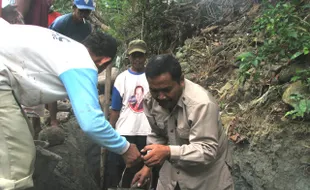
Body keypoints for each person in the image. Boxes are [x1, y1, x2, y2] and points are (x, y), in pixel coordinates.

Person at [0, 18, 141, 190]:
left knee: (20, 141)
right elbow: (91, 123)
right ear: (104, 61)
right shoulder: (82, 63)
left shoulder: (66, 47)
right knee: (18, 164)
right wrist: (125, 148)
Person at [132, 54, 234, 190]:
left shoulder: (201, 104)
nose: (160, 97)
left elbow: (207, 150)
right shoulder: (150, 101)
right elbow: (158, 135)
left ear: (181, 81)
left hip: (206, 180)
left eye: (166, 90)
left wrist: (168, 151)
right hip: (171, 180)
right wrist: (147, 167)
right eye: (155, 90)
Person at [105, 40, 152, 188]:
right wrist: (111, 130)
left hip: (147, 131)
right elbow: (116, 108)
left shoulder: (151, 77)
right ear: (129, 57)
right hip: (125, 131)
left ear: (145, 57)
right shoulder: (121, 78)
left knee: (145, 172)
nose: (137, 59)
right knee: (118, 171)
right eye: (134, 55)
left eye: (140, 55)